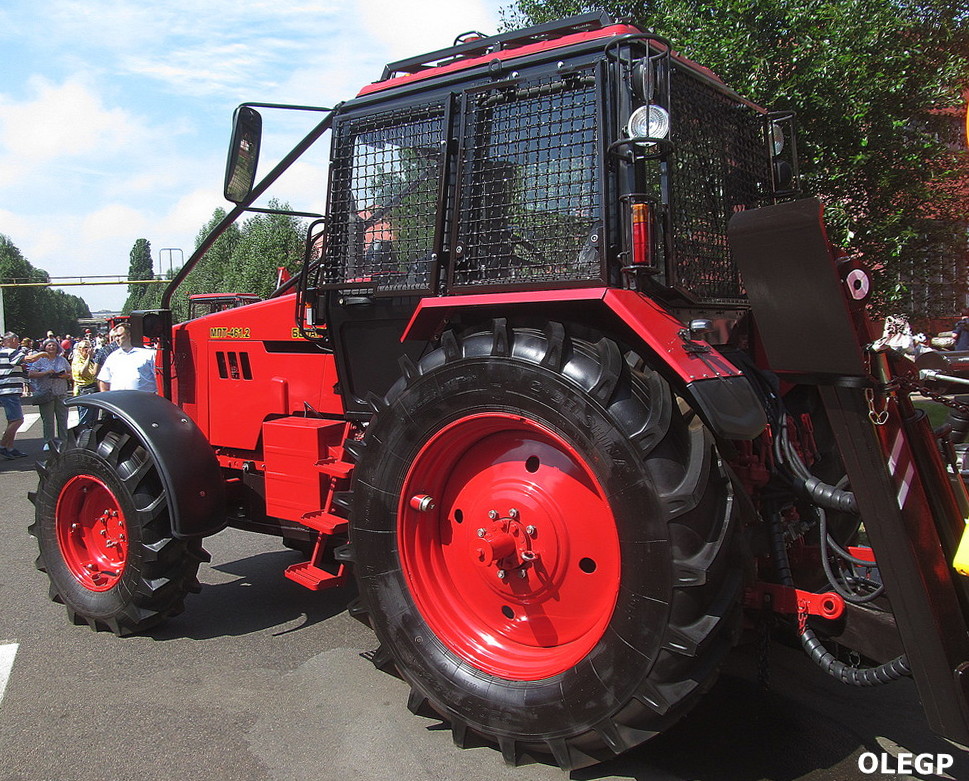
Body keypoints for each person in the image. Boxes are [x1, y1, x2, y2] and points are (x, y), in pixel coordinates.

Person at [29, 338, 71, 448]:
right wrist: (45, 373)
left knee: (62, 418)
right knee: (48, 420)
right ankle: (49, 442)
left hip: (61, 391)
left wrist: (64, 376)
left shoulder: (62, 360)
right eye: (49, 346)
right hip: (46, 392)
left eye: (54, 345)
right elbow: (31, 374)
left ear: (57, 348)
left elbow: (70, 374)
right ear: (44, 347)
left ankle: (64, 441)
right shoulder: (40, 360)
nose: (51, 347)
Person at [97, 323, 157, 392]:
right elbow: (104, 381)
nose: (116, 339)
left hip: (144, 401)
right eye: (115, 336)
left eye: (119, 336)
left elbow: (159, 379)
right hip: (118, 401)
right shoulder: (112, 357)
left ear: (129, 335)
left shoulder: (149, 354)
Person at [70, 339, 99, 426]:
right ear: (79, 349)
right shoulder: (77, 360)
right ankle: (82, 437)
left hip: (93, 389)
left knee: (94, 420)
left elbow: (95, 373)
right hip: (84, 390)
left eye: (89, 347)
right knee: (85, 419)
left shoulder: (91, 361)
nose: (88, 350)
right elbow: (83, 372)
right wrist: (88, 358)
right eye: (85, 347)